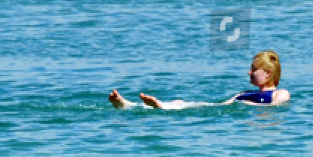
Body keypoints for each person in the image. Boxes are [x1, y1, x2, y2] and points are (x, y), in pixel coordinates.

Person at [109, 50, 290, 109]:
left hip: (247, 110)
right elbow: (220, 106)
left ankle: (158, 107)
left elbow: (276, 106)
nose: (248, 73)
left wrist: (248, 105)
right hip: (225, 109)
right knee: (182, 103)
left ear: (267, 73)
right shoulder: (243, 94)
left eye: (253, 69)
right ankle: (128, 105)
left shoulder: (280, 93)